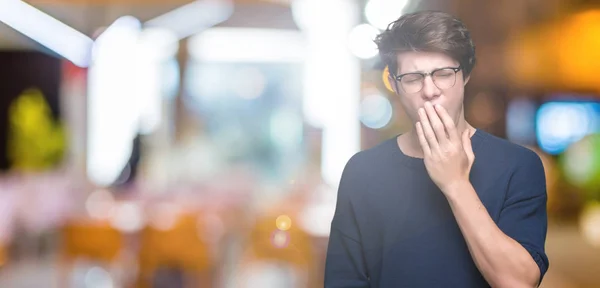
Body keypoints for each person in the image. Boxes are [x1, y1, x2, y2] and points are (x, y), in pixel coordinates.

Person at [324, 10, 549, 288]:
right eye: (413, 78)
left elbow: (519, 282)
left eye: (443, 74)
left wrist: (455, 183)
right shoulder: (362, 171)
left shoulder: (519, 166)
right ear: (394, 84)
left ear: (465, 75)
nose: (429, 90)